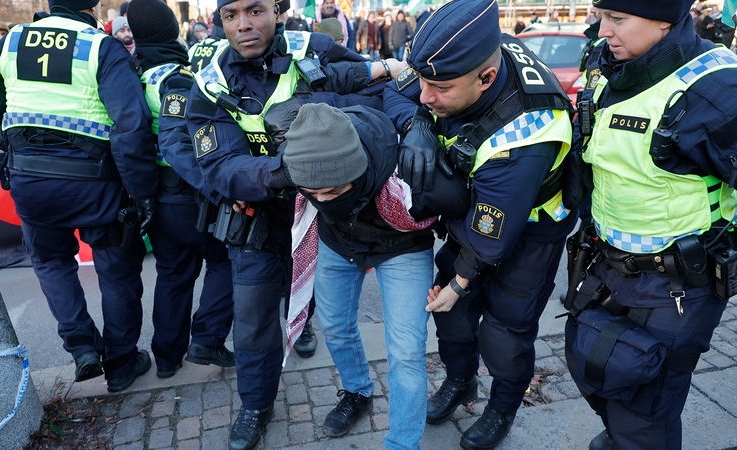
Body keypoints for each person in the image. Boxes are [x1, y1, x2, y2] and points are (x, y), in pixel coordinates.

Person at [176, 0, 401, 447]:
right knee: (254, 318)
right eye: (231, 15)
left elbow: (376, 101)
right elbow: (221, 166)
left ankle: (349, 382)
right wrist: (294, 164)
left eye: (255, 10)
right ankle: (256, 406)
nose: (244, 25)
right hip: (259, 217)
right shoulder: (210, 83)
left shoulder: (316, 50)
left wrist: (324, 125)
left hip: (331, 213)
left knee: (333, 313)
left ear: (277, 11)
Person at [384, 0, 575, 448]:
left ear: (486, 79)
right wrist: (417, 125)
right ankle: (461, 381)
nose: (427, 95)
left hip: (529, 230)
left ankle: (502, 407)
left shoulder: (527, 132)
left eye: (440, 89)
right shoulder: (459, 55)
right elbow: (397, 91)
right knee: (452, 319)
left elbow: (491, 241)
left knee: (505, 331)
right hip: (474, 211)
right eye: (425, 85)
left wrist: (459, 283)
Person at [562, 1, 737, 449]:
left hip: (676, 286)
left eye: (618, 20)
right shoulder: (613, 67)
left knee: (646, 403)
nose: (604, 32)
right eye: (602, 16)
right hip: (604, 267)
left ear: (663, 20)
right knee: (595, 367)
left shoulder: (717, 89)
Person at [0, 0, 157, 393]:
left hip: (30, 182)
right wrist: (141, 191)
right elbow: (131, 123)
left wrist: (18, 150)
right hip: (94, 184)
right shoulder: (99, 46)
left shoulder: (13, 41)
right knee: (116, 269)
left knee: (51, 262)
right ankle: (122, 363)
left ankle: (83, 348)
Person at [283, 103, 435, 448]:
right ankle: (357, 391)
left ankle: (402, 443)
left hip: (403, 245)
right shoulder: (303, 155)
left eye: (335, 191)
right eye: (313, 193)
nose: (322, 200)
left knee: (407, 350)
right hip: (339, 242)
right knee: (335, 326)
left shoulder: (399, 162)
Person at [127, 0, 236, 380]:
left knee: (173, 274)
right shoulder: (176, 78)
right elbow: (189, 141)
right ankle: (207, 338)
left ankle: (168, 357)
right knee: (225, 261)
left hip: (154, 195)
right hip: (189, 194)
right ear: (171, 30)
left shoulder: (130, 74)